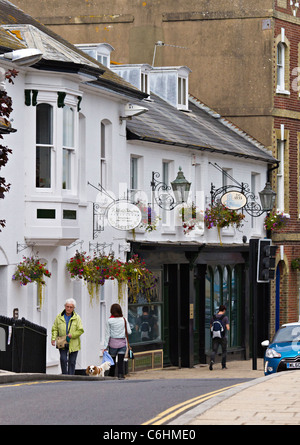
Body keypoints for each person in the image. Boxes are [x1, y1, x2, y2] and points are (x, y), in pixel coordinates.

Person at [51, 298, 84, 375]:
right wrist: (53, 338)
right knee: (63, 359)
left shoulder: (77, 318)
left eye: (71, 307)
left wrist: (72, 335)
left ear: (73, 308)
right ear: (65, 306)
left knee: (72, 362)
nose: (68, 309)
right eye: (67, 306)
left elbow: (80, 330)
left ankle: (71, 376)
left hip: (74, 342)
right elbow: (55, 328)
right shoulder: (59, 317)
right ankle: (65, 375)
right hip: (62, 340)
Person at [103, 303, 132, 379]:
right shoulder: (124, 320)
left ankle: (111, 375)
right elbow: (129, 332)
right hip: (122, 343)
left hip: (113, 344)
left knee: (112, 361)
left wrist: (104, 347)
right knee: (121, 361)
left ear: (111, 311)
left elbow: (107, 335)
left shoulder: (109, 321)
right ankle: (120, 375)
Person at [209, 305, 230, 371]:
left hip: (215, 336)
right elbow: (228, 328)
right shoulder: (225, 318)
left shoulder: (213, 317)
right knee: (224, 351)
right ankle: (223, 366)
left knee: (214, 350)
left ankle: (212, 360)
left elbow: (211, 326)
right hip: (222, 336)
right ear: (224, 310)